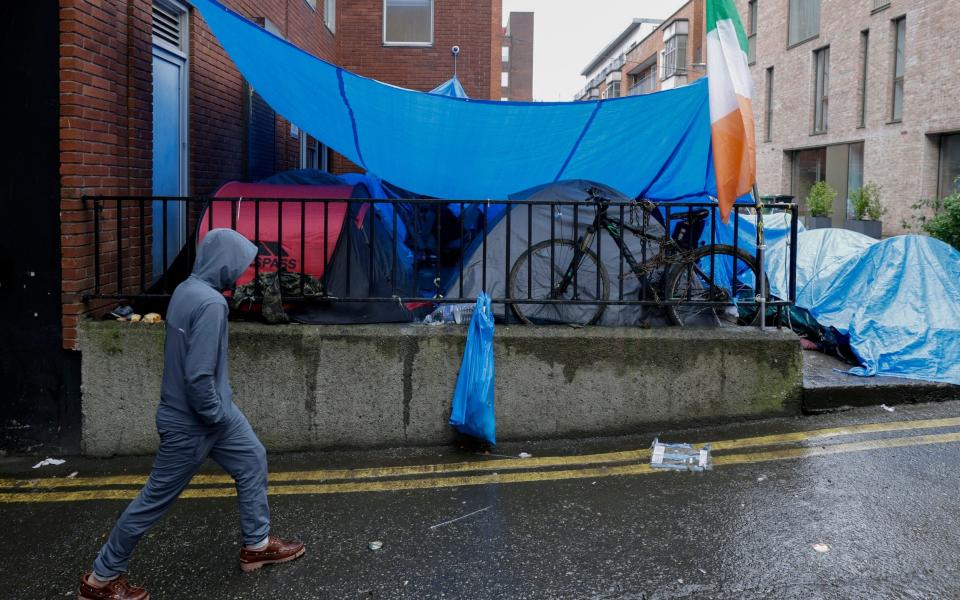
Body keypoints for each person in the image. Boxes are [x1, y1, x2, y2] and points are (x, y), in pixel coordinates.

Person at [79, 229, 305, 600]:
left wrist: (221, 413)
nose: (243, 272)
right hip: (195, 422)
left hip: (210, 414)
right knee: (153, 501)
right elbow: (198, 375)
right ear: (225, 262)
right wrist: (217, 416)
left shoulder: (187, 289)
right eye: (240, 264)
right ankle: (101, 579)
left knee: (252, 458)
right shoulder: (212, 304)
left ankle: (257, 545)